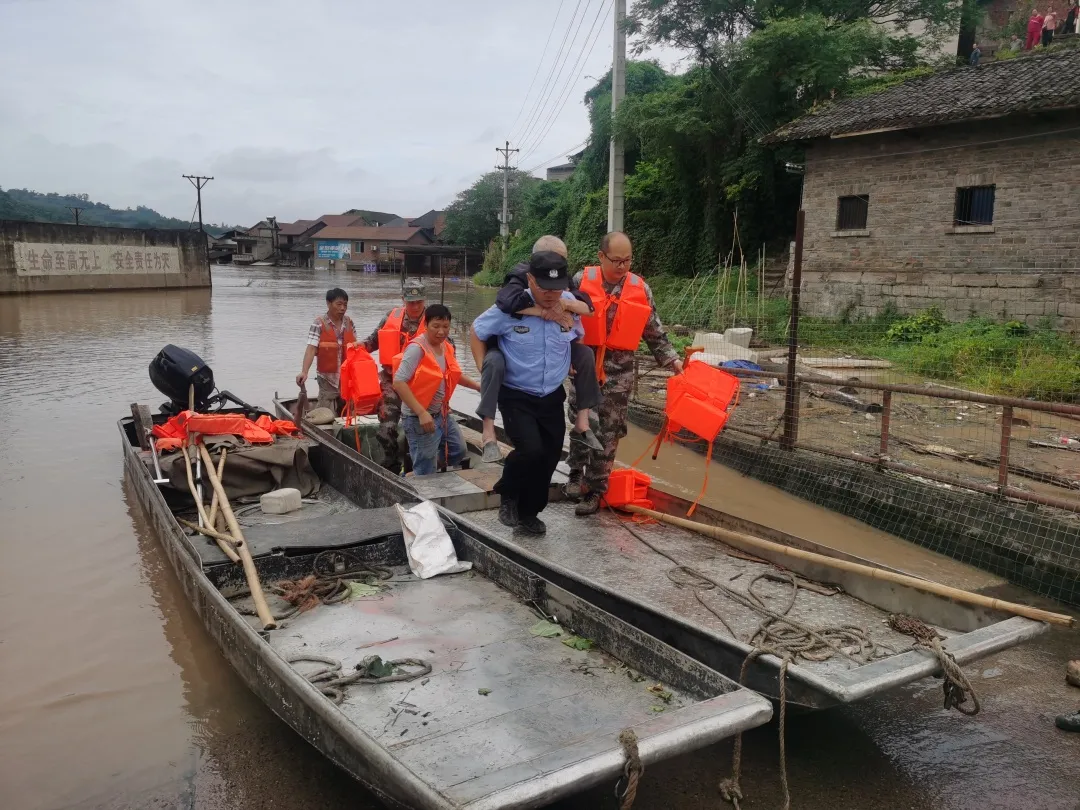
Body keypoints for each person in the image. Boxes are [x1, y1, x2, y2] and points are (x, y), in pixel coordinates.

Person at [565, 232, 683, 517]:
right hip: (583, 366)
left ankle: (595, 489)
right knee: (582, 423)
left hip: (619, 372)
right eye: (616, 260)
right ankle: (575, 473)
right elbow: (563, 322)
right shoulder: (581, 281)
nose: (622, 266)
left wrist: (673, 361)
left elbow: (653, 329)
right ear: (601, 256)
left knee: (609, 431)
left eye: (627, 260)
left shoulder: (640, 288)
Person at [470, 251, 583, 535]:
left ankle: (529, 513)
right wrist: (485, 368)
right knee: (530, 450)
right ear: (530, 279)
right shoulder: (511, 308)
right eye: (544, 287)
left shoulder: (567, 307)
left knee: (550, 456)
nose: (550, 295)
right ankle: (507, 493)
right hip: (517, 394)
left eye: (557, 289)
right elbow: (477, 331)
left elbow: (576, 335)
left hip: (551, 395)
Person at [473, 234, 603, 462]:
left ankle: (583, 423)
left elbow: (588, 310)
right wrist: (543, 312)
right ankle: (488, 432)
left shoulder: (562, 285)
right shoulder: (518, 280)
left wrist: (566, 305)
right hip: (511, 374)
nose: (558, 266)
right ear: (532, 276)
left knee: (585, 355)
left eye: (562, 261)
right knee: (493, 363)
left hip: (549, 391)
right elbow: (503, 306)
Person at [392, 304, 480, 476]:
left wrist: (477, 386)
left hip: (442, 414)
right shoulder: (417, 349)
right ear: (425, 325)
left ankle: (418, 471)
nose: (441, 331)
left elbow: (454, 375)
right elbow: (399, 382)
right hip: (418, 418)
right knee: (425, 471)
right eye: (436, 326)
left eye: (445, 327)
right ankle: (420, 474)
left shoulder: (446, 346)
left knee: (458, 450)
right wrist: (421, 412)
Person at [359, 279, 428, 474]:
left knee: (419, 430)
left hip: (421, 387)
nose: (414, 306)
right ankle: (391, 467)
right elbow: (373, 342)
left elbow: (448, 351)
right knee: (386, 430)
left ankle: (418, 469)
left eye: (418, 302)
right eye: (410, 302)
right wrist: (359, 346)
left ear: (424, 300)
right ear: (403, 300)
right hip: (392, 383)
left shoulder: (434, 320)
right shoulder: (391, 317)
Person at [297, 287, 356, 413]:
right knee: (325, 412)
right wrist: (304, 372)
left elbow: (356, 348)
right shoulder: (318, 323)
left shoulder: (349, 322)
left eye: (345, 305)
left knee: (348, 410)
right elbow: (311, 349)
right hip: (327, 378)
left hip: (347, 376)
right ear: (328, 304)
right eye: (339, 304)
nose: (342, 308)